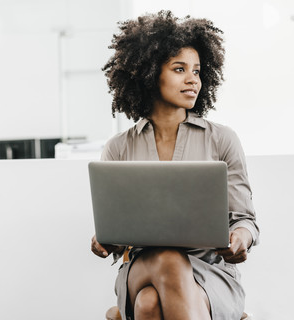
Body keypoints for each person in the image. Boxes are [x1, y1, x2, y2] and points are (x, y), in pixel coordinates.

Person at [90, 11, 259, 320]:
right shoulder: (118, 147)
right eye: (180, 69)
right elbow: (113, 231)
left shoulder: (222, 140)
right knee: (167, 259)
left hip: (210, 272)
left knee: (148, 305)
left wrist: (240, 239)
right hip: (142, 267)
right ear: (150, 73)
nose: (192, 79)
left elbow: (245, 219)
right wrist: (104, 242)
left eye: (196, 70)